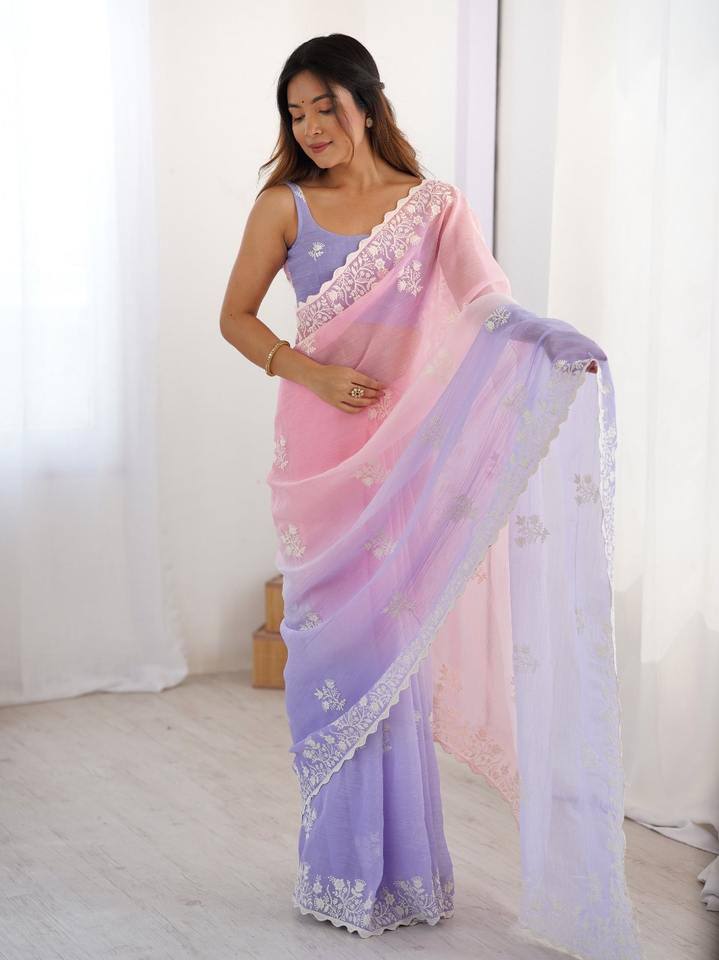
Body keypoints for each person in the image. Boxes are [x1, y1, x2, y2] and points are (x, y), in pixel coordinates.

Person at [220, 33, 644, 960]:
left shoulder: (434, 206)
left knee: (393, 659)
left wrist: (549, 338)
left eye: (325, 106)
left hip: (406, 459)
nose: (311, 126)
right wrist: (312, 374)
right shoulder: (284, 204)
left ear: (366, 101)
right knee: (333, 664)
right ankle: (339, 872)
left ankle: (403, 875)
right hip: (319, 460)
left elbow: (485, 303)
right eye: (295, 113)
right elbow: (235, 317)